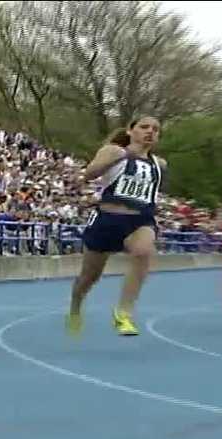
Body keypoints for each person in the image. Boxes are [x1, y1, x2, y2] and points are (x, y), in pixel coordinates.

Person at [66, 116, 166, 337]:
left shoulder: (159, 165)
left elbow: (150, 193)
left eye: (156, 129)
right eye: (144, 127)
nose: (150, 132)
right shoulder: (113, 151)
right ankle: (75, 305)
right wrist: (120, 158)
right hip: (107, 220)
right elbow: (89, 174)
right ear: (131, 131)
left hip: (140, 219)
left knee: (144, 252)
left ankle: (124, 312)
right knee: (90, 276)